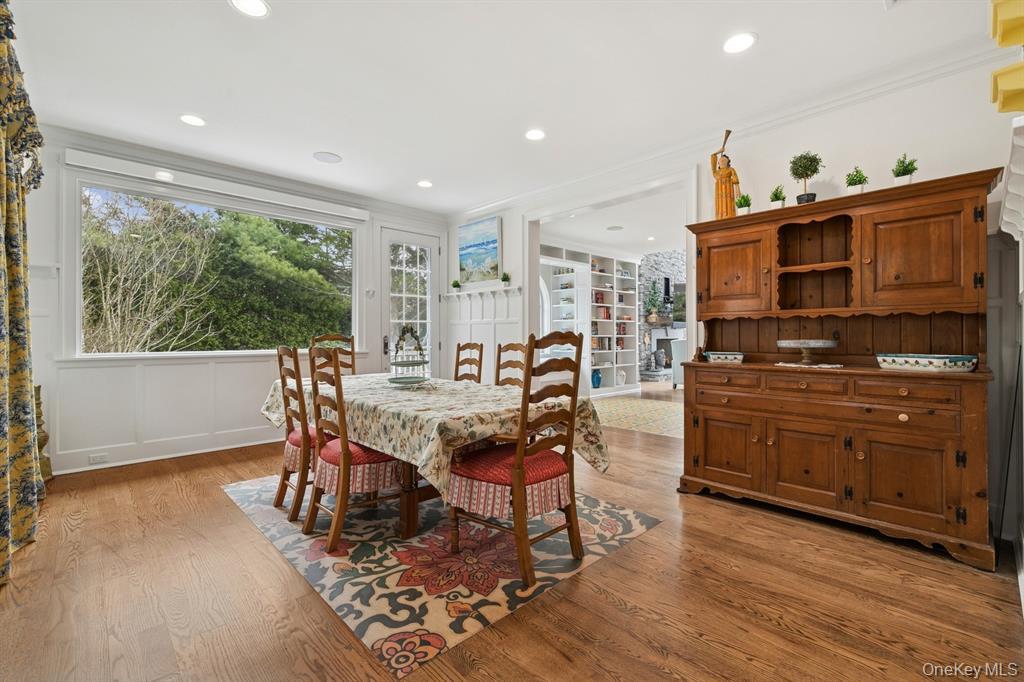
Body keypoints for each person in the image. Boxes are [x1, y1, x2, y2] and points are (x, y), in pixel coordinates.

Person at [712, 145, 740, 220]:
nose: (722, 162)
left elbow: (735, 180)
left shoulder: (730, 169)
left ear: (728, 162)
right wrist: (719, 151)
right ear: (718, 163)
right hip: (719, 193)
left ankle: (730, 216)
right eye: (720, 161)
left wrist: (737, 190)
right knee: (720, 206)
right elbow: (713, 156)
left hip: (728, 190)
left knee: (728, 205)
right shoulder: (716, 173)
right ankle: (719, 217)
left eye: (724, 161)